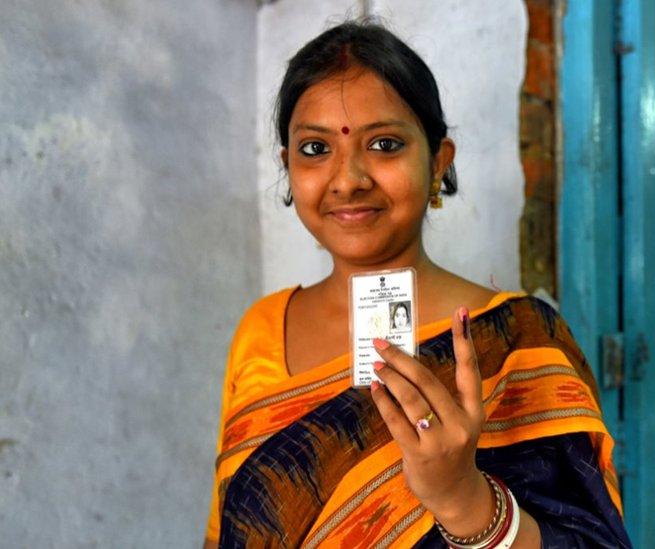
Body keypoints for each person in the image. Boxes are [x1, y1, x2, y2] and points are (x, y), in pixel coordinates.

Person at [203, 22, 630, 548]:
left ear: (438, 163)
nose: (348, 178)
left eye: (384, 144)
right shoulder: (262, 327)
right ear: (288, 166)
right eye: (314, 149)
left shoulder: (521, 341)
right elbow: (230, 525)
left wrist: (464, 501)